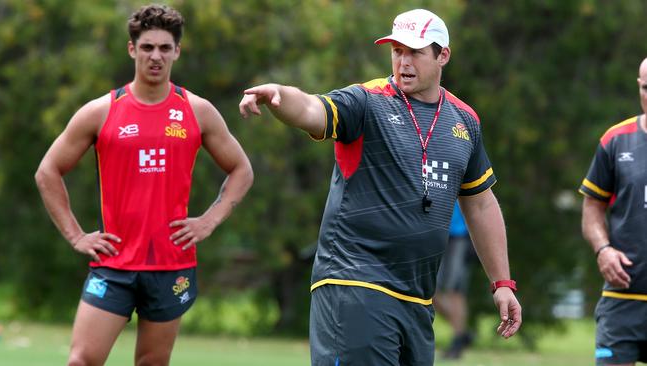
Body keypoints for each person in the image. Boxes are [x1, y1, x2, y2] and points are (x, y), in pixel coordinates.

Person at [240, 8, 521, 365]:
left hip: (418, 301)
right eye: (396, 51)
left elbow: (480, 204)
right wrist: (279, 94)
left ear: (443, 55)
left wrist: (502, 284)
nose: (403, 61)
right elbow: (313, 109)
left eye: (414, 52)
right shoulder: (366, 101)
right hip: (355, 285)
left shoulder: (464, 121)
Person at [34, 4, 253, 365]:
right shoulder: (101, 111)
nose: (156, 56)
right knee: (80, 360)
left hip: (171, 265)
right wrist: (76, 235)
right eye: (148, 47)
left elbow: (242, 169)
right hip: (114, 263)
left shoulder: (196, 111)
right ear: (132, 49)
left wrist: (208, 221)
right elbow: (48, 171)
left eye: (165, 48)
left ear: (177, 52)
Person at [580, 57, 647, 366]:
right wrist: (603, 249)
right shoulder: (615, 140)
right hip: (623, 298)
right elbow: (592, 208)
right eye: (646, 89)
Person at [434, 202, 476, 359]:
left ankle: (458, 341)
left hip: (460, 237)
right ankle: (463, 332)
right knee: (430, 292)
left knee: (455, 291)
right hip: (435, 232)